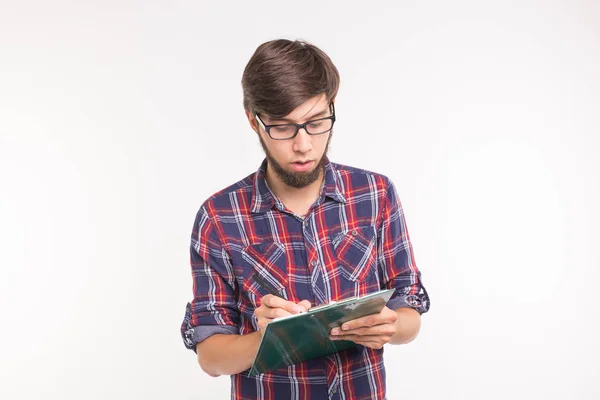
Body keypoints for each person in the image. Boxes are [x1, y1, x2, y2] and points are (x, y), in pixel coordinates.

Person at [180, 38, 430, 400]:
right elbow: (211, 356)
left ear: (332, 107)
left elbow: (409, 310)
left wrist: (390, 326)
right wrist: (268, 340)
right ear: (254, 121)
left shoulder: (375, 194)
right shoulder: (219, 217)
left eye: (316, 122)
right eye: (283, 127)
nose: (303, 145)